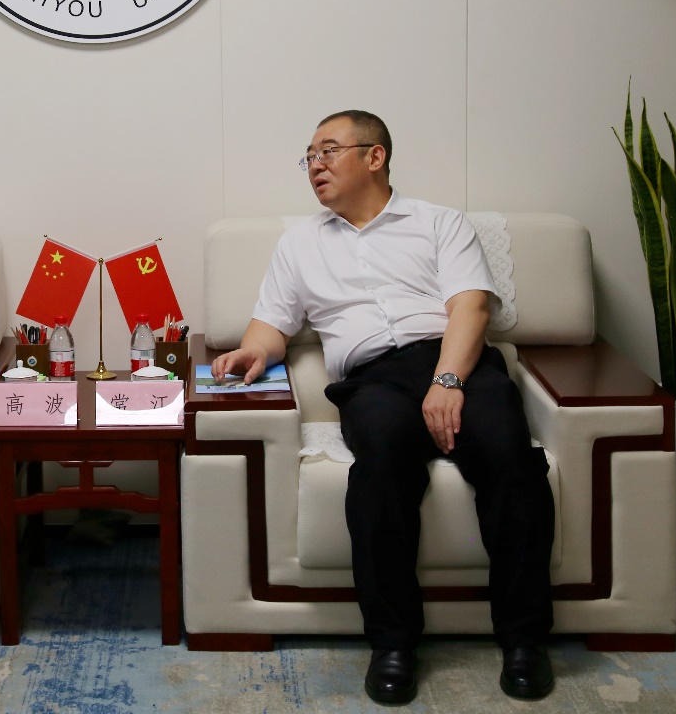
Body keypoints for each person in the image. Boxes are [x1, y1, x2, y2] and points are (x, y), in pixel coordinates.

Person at [211, 110, 556, 705]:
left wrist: (448, 379)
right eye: (309, 156)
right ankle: (393, 643)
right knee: (379, 470)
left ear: (375, 157)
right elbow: (271, 326)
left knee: (511, 459)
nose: (315, 165)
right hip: (373, 379)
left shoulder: (439, 223)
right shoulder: (299, 245)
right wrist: (253, 352)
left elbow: (471, 308)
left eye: (329, 150)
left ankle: (524, 639)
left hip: (458, 363)